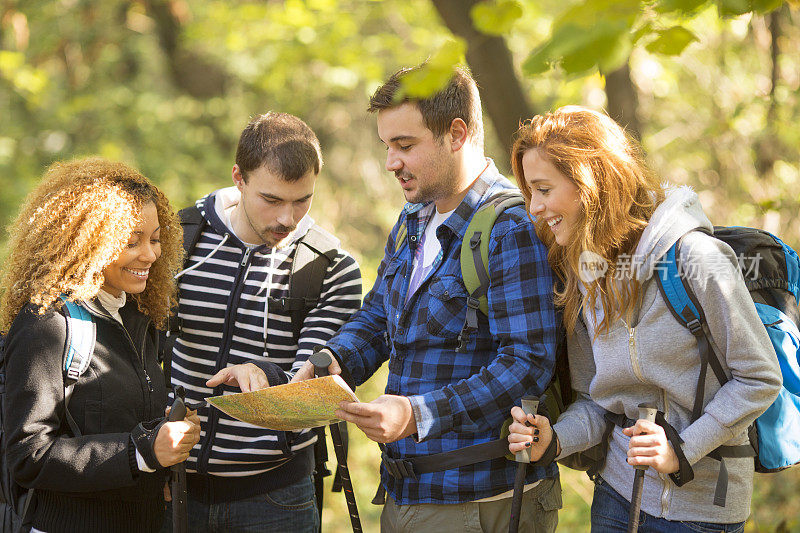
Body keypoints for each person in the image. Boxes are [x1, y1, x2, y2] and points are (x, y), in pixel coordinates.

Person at [293, 65, 562, 532]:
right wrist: (336, 360)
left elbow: (527, 362)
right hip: (404, 493)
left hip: (479, 499)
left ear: (455, 134)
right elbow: (380, 315)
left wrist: (419, 414)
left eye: (405, 145)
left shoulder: (511, 228)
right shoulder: (414, 217)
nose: (391, 162)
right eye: (387, 146)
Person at [506, 106, 782, 532]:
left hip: (701, 512)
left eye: (543, 189)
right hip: (617, 496)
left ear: (590, 182)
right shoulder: (585, 274)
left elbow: (759, 377)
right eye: (529, 193)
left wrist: (682, 450)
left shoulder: (696, 259)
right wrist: (554, 437)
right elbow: (597, 402)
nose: (534, 208)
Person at [162, 112, 362, 533]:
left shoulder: (330, 268)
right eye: (271, 200)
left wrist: (265, 372)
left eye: (302, 200)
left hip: (276, 499)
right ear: (239, 177)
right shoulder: (176, 242)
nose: (287, 218)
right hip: (171, 486)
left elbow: (314, 389)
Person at [0, 158, 201, 533]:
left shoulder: (138, 314)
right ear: (89, 241)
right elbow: (28, 456)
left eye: (155, 238)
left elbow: (118, 420)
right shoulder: (48, 323)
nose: (150, 255)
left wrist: (164, 442)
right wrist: (141, 452)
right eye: (131, 241)